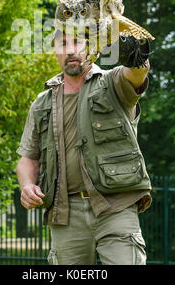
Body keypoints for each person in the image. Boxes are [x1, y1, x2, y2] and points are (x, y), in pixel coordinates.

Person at [16, 30, 152, 265]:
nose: (70, 50)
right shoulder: (41, 103)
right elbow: (28, 158)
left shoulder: (113, 83)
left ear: (94, 47)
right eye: (63, 44)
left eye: (78, 42)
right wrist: (27, 185)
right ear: (55, 51)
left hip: (115, 206)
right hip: (66, 213)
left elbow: (137, 74)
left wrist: (136, 57)